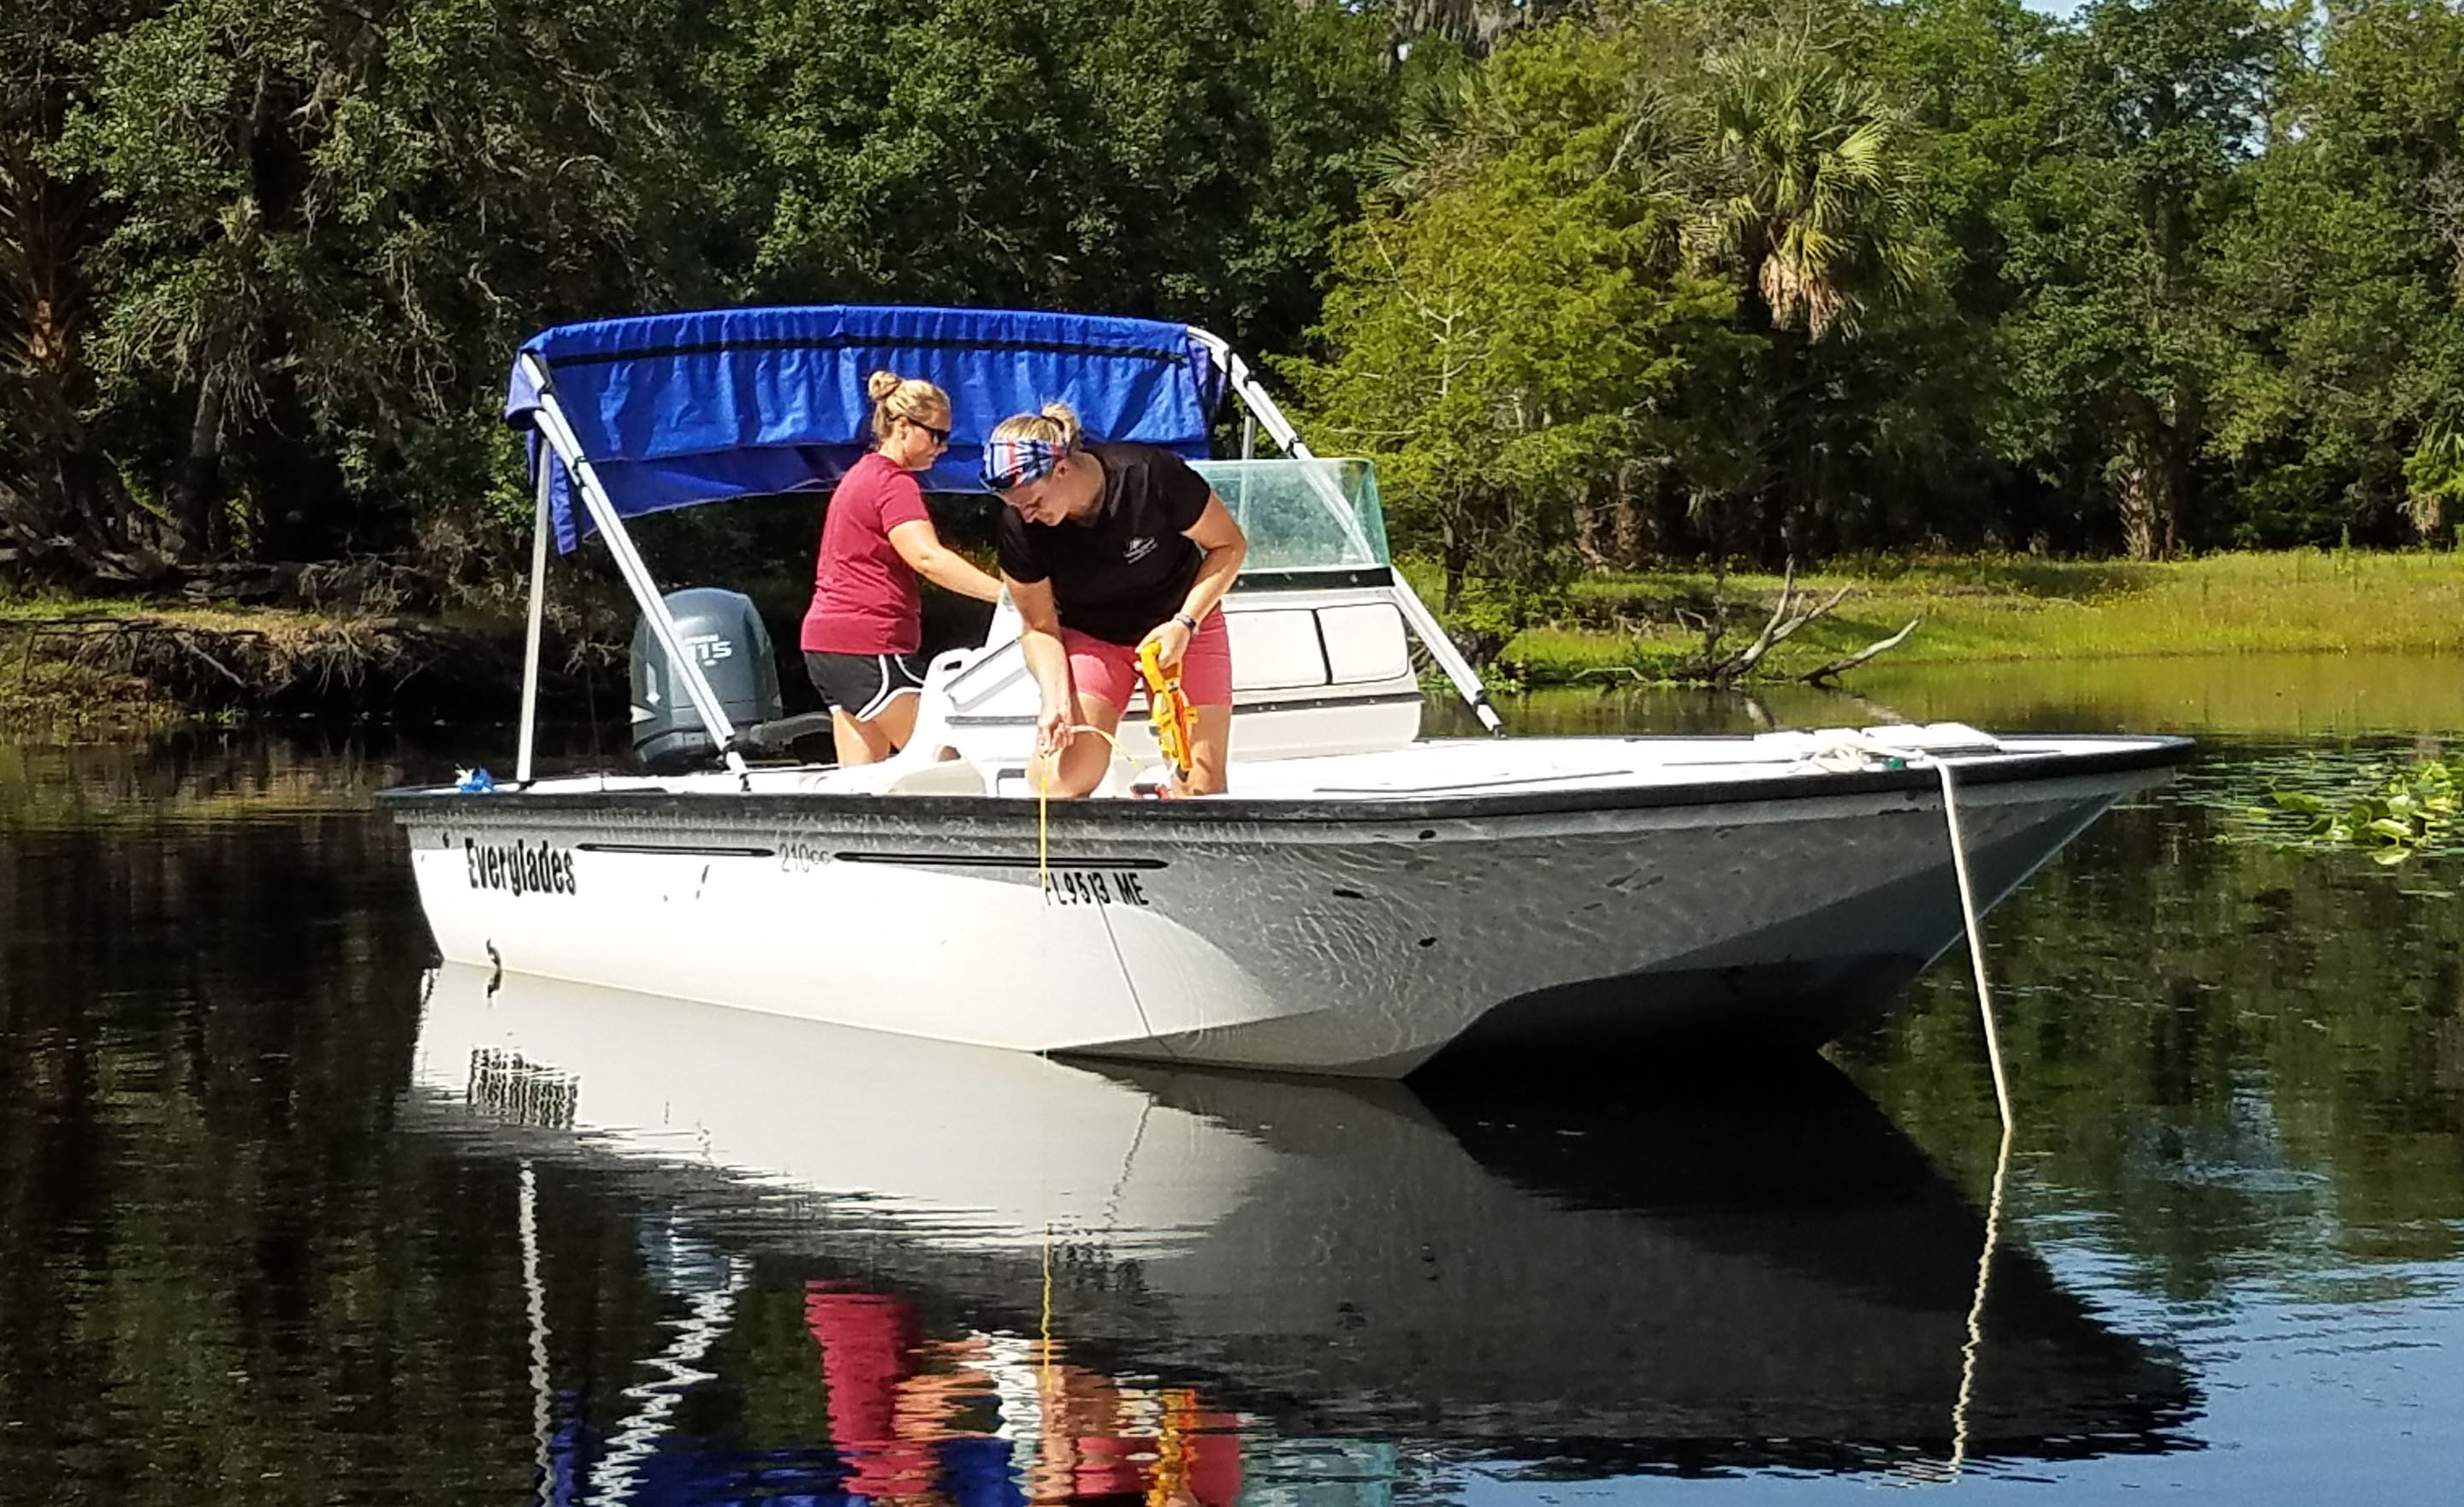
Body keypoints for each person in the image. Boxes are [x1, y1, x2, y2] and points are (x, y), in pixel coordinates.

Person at [982, 403, 1247, 797]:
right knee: (1057, 782)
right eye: (1016, 507)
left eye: (1034, 501)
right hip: (1094, 635)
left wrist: (1184, 623)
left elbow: (1230, 546)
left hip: (1180, 621)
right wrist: (1055, 703)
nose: (1028, 515)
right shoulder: (1021, 525)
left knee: (1200, 785)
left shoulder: (1148, 475)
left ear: (1062, 470)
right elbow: (1039, 627)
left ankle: (1170, 805)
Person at [802, 371, 1005, 764]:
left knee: (864, 786)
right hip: (869, 645)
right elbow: (927, 557)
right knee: (951, 767)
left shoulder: (860, 476)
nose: (942, 449)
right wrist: (1008, 596)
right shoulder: (893, 484)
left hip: (827, 646)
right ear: (902, 426)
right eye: (936, 436)